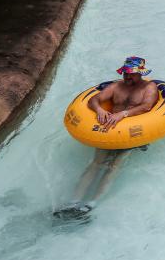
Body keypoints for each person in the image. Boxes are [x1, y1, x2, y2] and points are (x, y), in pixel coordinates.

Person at [55, 56, 158, 220]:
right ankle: (73, 202)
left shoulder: (149, 88)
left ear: (140, 74)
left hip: (131, 132)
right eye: (125, 73)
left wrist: (123, 114)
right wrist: (99, 110)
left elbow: (146, 107)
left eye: (131, 74)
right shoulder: (117, 86)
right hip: (109, 132)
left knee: (113, 165)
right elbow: (94, 99)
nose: (127, 76)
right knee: (96, 163)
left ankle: (90, 204)